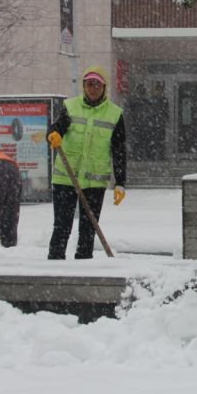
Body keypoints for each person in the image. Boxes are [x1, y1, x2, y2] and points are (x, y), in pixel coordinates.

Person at [46, 65, 128, 259]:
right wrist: (53, 135)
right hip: (66, 178)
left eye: (97, 84)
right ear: (83, 86)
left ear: (104, 87)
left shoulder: (114, 114)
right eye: (89, 84)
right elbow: (55, 128)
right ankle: (55, 265)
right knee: (61, 226)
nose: (92, 88)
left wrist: (120, 183)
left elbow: (119, 151)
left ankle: (84, 267)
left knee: (88, 229)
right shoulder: (70, 107)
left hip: (94, 181)